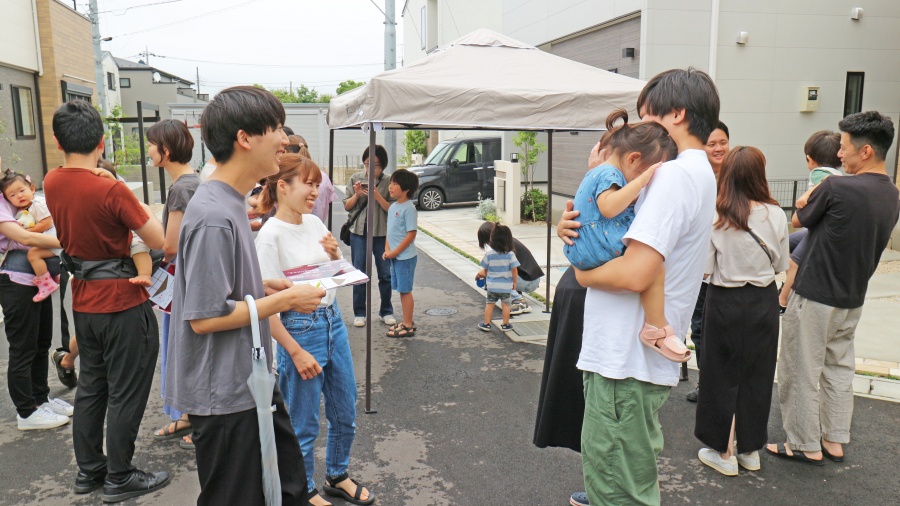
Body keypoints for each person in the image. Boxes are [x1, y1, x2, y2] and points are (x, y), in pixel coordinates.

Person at [558, 68, 719, 505]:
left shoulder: (673, 175)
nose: (641, 128)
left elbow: (635, 274)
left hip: (624, 359)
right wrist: (574, 228)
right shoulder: (696, 172)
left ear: (677, 114)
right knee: (624, 477)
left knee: (619, 487)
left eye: (647, 115)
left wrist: (581, 273)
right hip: (629, 359)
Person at [164, 86, 326, 506]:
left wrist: (261, 287)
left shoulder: (229, 201)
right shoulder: (215, 214)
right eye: (276, 129)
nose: (285, 140)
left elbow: (218, 289)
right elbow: (205, 318)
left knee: (288, 488)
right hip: (224, 392)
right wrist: (285, 301)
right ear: (245, 138)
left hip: (246, 381)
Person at [43, 100, 169, 502]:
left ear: (58, 141)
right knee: (126, 392)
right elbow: (159, 241)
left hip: (83, 300)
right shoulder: (110, 188)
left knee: (92, 388)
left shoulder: (51, 181)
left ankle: (90, 471)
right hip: (122, 300)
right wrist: (128, 195)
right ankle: (120, 476)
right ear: (101, 141)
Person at [767, 111, 900, 465]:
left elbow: (799, 220)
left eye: (844, 147)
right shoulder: (892, 195)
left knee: (800, 370)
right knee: (839, 369)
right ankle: (834, 439)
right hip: (853, 298)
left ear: (866, 151)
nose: (839, 154)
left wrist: (808, 195)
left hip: (814, 294)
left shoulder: (836, 187)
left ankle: (803, 444)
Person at [255, 153, 374, 506]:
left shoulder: (315, 223)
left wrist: (336, 256)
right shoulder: (270, 236)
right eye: (307, 183)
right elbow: (266, 307)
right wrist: (294, 351)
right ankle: (304, 490)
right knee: (303, 424)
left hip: (332, 322)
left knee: (345, 411)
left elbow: (336, 273)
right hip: (299, 329)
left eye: (316, 184)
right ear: (282, 186)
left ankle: (337, 475)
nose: (315, 191)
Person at [565, 108, 689, 363]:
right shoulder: (608, 173)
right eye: (644, 172)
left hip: (585, 246)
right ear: (633, 159)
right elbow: (608, 207)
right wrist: (640, 183)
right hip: (599, 245)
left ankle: (656, 327)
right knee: (653, 268)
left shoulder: (598, 172)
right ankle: (656, 328)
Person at [694, 146, 789, 476]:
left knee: (721, 375)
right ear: (760, 174)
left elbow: (705, 269)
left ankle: (724, 452)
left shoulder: (717, 215)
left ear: (728, 175)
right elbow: (781, 263)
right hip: (763, 300)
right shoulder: (775, 213)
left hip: (725, 300)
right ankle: (749, 450)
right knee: (757, 375)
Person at [142, 119, 202, 452]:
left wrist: (142, 223)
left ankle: (196, 420)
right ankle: (188, 416)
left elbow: (170, 245)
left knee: (183, 349)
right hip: (188, 279)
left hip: (182, 282)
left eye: (152, 145)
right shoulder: (194, 181)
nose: (149, 150)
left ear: (165, 150)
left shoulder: (182, 188)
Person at [0, 170, 73, 431]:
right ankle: (26, 412)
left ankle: (40, 399)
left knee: (41, 344)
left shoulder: (11, 194)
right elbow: (26, 237)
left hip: (35, 279)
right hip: (16, 281)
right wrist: (69, 242)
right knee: (23, 348)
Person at [686, 121, 731, 403]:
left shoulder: (737, 175)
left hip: (729, 269)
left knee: (725, 332)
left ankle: (724, 386)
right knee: (700, 328)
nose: (718, 148)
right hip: (700, 268)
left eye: (722, 142)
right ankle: (707, 383)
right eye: (711, 143)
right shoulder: (697, 177)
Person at [777, 130, 842, 311]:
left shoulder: (819, 173)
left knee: (792, 262)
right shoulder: (838, 173)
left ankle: (782, 300)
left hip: (819, 230)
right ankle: (793, 283)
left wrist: (806, 195)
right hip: (816, 228)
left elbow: (827, 183)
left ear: (810, 159)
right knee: (785, 244)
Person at [343, 145, 395, 328]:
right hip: (359, 232)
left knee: (385, 274)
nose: (371, 168)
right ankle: (360, 313)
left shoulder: (389, 181)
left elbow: (392, 209)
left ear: (383, 165)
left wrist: (377, 195)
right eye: (367, 163)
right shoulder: (355, 178)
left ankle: (386, 311)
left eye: (376, 165)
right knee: (359, 273)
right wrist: (357, 194)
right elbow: (347, 206)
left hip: (381, 233)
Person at [0, 170, 60, 301]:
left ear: (32, 189)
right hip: (48, 241)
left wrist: (26, 232)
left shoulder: (37, 204)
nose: (19, 196)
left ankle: (46, 284)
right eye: (12, 195)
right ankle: (51, 277)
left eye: (22, 191)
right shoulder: (26, 207)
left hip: (52, 240)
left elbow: (46, 223)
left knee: (33, 254)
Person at [475, 222, 545, 316]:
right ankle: (516, 294)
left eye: (487, 242)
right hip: (530, 278)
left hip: (529, 281)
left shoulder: (503, 246)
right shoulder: (507, 241)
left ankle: (519, 301)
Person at [383, 168, 419, 338]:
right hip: (396, 256)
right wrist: (387, 250)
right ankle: (406, 320)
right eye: (391, 183)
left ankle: (408, 325)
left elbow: (411, 235)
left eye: (395, 184)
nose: (390, 186)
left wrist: (395, 252)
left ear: (406, 189)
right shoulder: (392, 207)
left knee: (405, 291)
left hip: (405, 257)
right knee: (401, 290)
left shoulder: (409, 209)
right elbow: (389, 231)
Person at [476, 224, 520, 332]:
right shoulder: (510, 255)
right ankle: (505, 324)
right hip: (505, 287)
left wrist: (480, 276)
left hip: (492, 286)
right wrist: (515, 282)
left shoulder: (489, 255)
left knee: (489, 304)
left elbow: (485, 270)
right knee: (506, 305)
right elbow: (514, 270)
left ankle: (486, 324)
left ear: (492, 240)